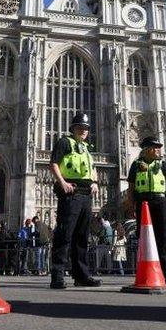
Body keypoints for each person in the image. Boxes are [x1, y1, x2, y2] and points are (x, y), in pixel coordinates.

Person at [49, 112, 102, 289]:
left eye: (86, 128)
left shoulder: (86, 148)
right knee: (64, 234)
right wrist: (62, 182)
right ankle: (57, 275)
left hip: (86, 195)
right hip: (71, 194)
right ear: (73, 128)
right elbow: (54, 163)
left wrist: (95, 181)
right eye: (80, 127)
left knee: (82, 237)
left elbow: (93, 168)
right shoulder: (65, 142)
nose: (84, 130)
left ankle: (81, 276)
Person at [125, 136, 166, 285]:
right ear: (147, 150)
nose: (159, 150)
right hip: (143, 203)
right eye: (156, 148)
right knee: (144, 238)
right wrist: (131, 206)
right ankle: (147, 273)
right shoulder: (136, 165)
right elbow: (131, 188)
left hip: (161, 202)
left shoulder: (162, 164)